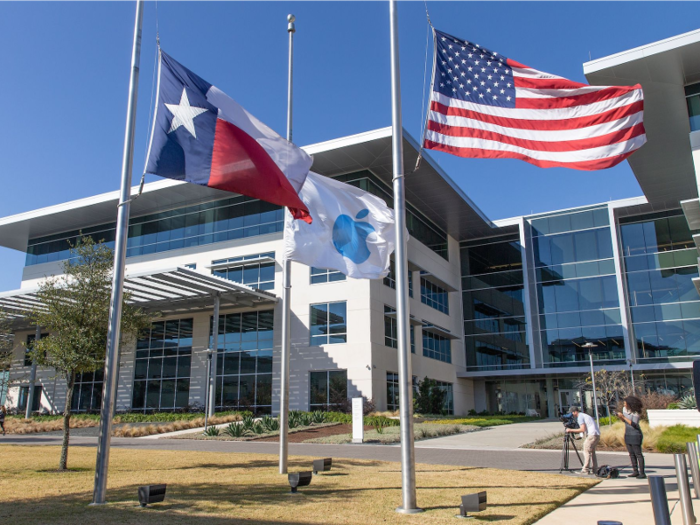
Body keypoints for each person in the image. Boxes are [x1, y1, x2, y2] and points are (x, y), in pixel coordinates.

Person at [616, 396, 645, 479]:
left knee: (638, 454)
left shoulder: (636, 412)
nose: (624, 405)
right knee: (631, 454)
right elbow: (624, 421)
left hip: (635, 434)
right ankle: (635, 471)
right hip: (628, 433)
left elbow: (634, 424)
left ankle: (642, 473)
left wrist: (624, 417)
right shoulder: (625, 410)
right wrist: (621, 417)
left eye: (625, 403)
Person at [565, 406, 600, 475]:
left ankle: (585, 469)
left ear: (575, 412)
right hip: (596, 434)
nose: (572, 415)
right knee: (592, 452)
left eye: (572, 413)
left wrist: (570, 430)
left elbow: (582, 429)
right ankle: (595, 469)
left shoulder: (580, 417)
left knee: (586, 450)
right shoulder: (584, 415)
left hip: (592, 435)